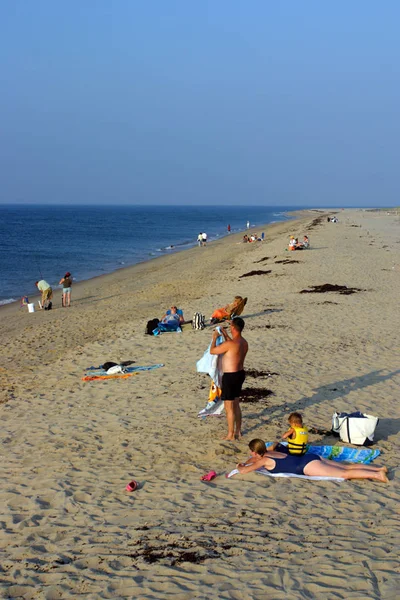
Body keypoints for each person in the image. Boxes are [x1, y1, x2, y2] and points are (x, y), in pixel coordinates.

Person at [236, 439, 388, 482]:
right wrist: (249, 459)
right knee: (346, 467)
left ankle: (376, 475)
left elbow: (244, 470)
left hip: (306, 466)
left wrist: (240, 465)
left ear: (254, 452)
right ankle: (378, 469)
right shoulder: (271, 452)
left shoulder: (262, 461)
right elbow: (255, 457)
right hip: (310, 458)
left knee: (344, 474)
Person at [210, 317, 248, 440]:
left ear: (233, 327)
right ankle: (238, 431)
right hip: (240, 374)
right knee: (236, 404)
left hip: (230, 376)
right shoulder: (243, 342)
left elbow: (213, 351)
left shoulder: (230, 344)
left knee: (229, 407)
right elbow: (232, 346)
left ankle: (230, 434)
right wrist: (226, 335)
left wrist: (214, 338)